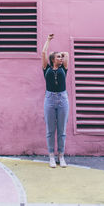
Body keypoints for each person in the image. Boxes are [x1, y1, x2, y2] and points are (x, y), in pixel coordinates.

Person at [42, 34, 69, 168]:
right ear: (52, 59)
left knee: (62, 130)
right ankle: (51, 156)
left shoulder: (64, 68)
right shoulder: (46, 68)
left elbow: (67, 54)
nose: (61, 58)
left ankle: (61, 156)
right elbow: (43, 52)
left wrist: (59, 54)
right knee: (50, 130)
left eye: (60, 57)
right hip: (50, 99)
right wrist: (48, 40)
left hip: (63, 99)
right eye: (58, 57)